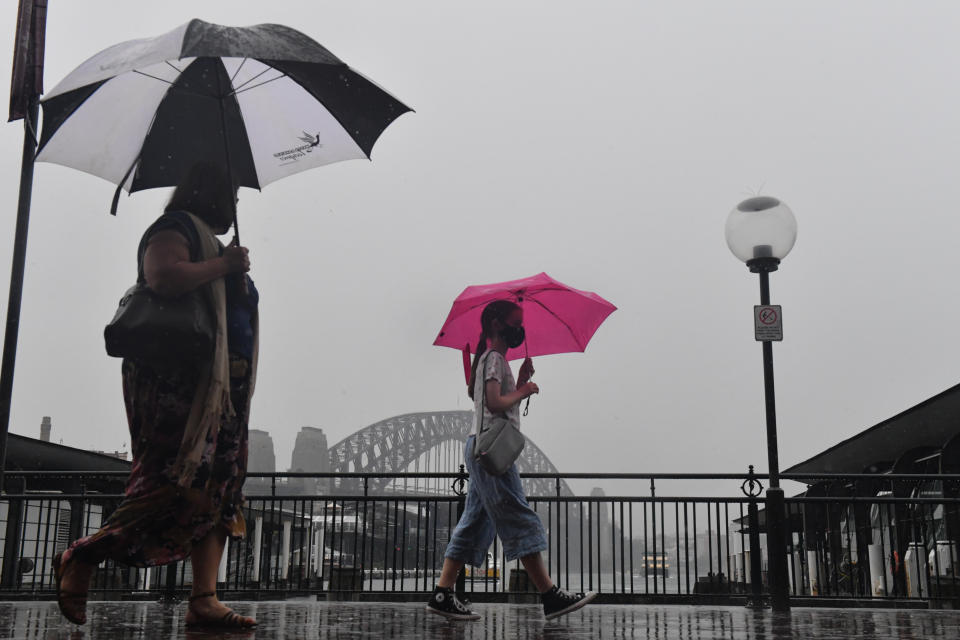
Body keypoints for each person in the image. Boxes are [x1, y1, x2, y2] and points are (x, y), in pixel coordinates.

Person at [54, 162, 259, 629]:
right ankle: (83, 555)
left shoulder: (211, 242)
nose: (237, 204)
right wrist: (224, 265)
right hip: (178, 388)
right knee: (173, 482)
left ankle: (203, 598)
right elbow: (162, 277)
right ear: (212, 191)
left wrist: (231, 274)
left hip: (222, 391)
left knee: (219, 491)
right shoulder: (174, 228)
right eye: (233, 193)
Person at [426, 299, 596, 621]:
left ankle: (442, 593)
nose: (520, 328)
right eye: (515, 322)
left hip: (481, 448)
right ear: (495, 324)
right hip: (492, 451)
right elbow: (493, 402)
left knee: (475, 522)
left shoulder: (489, 361)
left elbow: (488, 400)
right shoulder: (493, 359)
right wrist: (526, 390)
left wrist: (518, 380)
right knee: (518, 515)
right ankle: (550, 595)